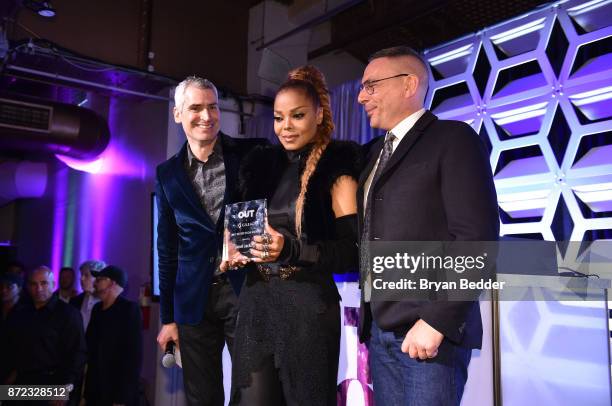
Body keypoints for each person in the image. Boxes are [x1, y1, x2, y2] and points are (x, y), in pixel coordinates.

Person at [356, 46, 499, 405]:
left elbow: (476, 237)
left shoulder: (454, 138)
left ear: (409, 85)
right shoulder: (374, 153)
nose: (361, 96)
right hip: (381, 331)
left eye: (371, 85)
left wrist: (437, 321)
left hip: (429, 334)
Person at [229, 65, 361, 406]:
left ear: (319, 115)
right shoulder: (260, 166)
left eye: (297, 116)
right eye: (277, 117)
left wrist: (290, 250)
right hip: (256, 304)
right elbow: (245, 231)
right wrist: (233, 249)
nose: (285, 127)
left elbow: (352, 253)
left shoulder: (337, 168)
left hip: (308, 311)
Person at [155, 75, 267, 405]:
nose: (206, 116)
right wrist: (167, 318)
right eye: (196, 108)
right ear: (178, 114)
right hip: (192, 301)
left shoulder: (252, 154)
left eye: (213, 106)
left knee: (253, 393)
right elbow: (167, 247)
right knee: (200, 397)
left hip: (245, 290)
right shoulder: (167, 173)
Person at [3, 266, 86, 404]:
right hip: (20, 381)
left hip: (52, 382)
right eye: (34, 284)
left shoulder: (68, 314)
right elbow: (10, 346)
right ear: (28, 286)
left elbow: (77, 352)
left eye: (44, 283)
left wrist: (64, 388)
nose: (39, 288)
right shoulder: (20, 312)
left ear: (53, 285)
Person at [84, 265, 142, 406]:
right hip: (94, 390)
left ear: (112, 283)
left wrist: (122, 397)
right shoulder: (97, 309)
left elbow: (132, 356)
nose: (95, 282)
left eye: (100, 279)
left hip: (115, 391)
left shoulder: (129, 309)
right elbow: (89, 349)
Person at [70, 260, 106, 331]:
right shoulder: (74, 301)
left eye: (86, 275)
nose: (81, 278)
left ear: (98, 278)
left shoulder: (107, 301)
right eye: (81, 275)